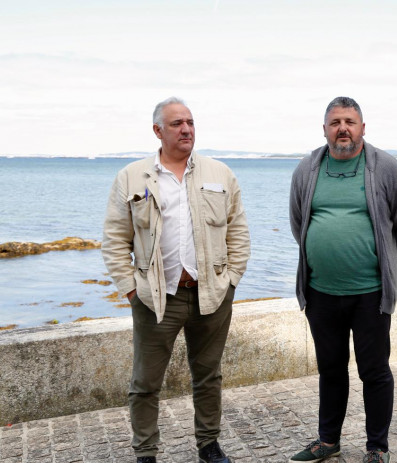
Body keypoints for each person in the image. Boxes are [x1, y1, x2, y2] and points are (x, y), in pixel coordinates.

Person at [102, 97, 250, 463]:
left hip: (211, 295)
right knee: (145, 384)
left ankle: (209, 445)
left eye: (190, 122)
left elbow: (239, 232)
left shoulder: (220, 173)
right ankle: (146, 452)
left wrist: (230, 281)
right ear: (157, 131)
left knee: (208, 376)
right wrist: (133, 290)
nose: (186, 129)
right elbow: (115, 240)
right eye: (176, 124)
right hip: (155, 299)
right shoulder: (132, 176)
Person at [288, 97, 397, 463]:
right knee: (331, 369)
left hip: (370, 295)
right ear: (324, 129)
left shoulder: (386, 168)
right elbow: (299, 223)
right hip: (321, 292)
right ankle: (329, 441)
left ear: (363, 128)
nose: (343, 128)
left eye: (350, 121)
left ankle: (377, 448)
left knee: (375, 371)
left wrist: (390, 269)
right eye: (336, 121)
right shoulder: (307, 170)